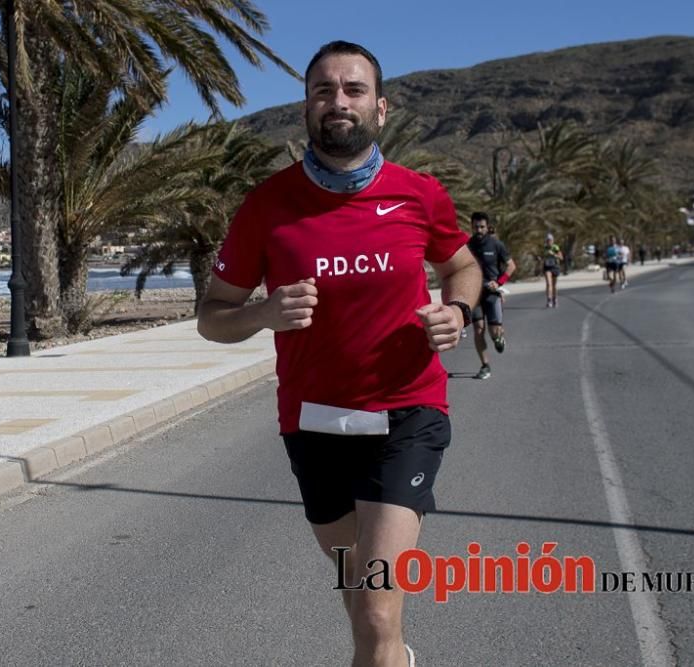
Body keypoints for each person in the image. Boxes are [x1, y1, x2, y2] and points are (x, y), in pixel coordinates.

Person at [197, 41, 483, 667]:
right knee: (362, 598)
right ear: (306, 108)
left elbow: (462, 266)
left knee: (377, 606)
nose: (338, 101)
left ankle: (385, 647)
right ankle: (396, 657)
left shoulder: (418, 195)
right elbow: (212, 317)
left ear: (381, 108)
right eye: (324, 90)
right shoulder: (267, 207)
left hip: (408, 413)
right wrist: (263, 314)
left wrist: (456, 311)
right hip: (313, 422)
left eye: (353, 90)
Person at [468, 212, 516, 379]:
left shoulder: (496, 245)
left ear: (487, 227)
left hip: (492, 294)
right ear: (472, 227)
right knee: (478, 329)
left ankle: (499, 337)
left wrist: (499, 283)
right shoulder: (467, 246)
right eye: (475, 227)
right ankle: (485, 365)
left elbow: (511, 266)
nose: (479, 230)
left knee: (493, 331)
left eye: (482, 227)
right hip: (475, 295)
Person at [541, 233, 563, 307]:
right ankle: (549, 300)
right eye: (547, 240)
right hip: (547, 267)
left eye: (550, 240)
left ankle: (555, 299)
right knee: (548, 284)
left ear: (553, 241)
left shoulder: (555, 247)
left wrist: (553, 254)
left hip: (555, 267)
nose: (549, 242)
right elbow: (542, 258)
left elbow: (561, 257)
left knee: (554, 285)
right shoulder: (544, 248)